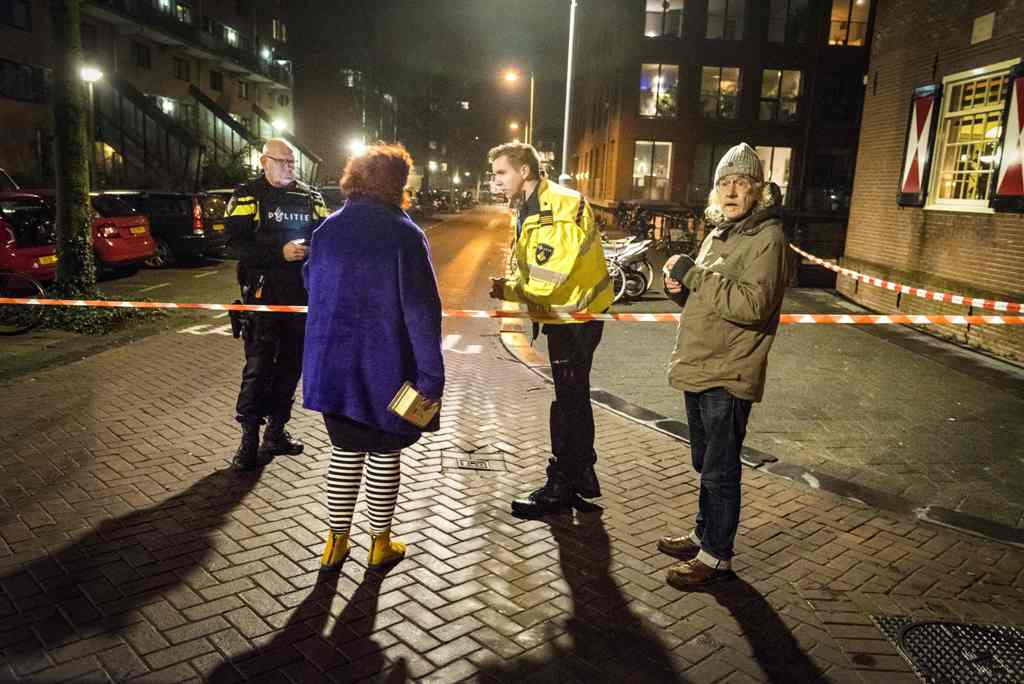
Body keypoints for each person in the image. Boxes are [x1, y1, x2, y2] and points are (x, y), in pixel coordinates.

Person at [302, 144, 444, 570]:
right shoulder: (404, 234)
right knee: (384, 457)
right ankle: (378, 544)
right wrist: (430, 378)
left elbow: (311, 281)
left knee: (344, 455)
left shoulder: (327, 230)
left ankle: (335, 544)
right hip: (386, 369)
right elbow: (421, 311)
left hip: (332, 371)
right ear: (395, 184)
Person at [658, 143, 790, 589]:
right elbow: (708, 292)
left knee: (720, 468)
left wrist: (694, 275)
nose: (732, 191)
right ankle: (702, 533)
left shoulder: (767, 238)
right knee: (705, 462)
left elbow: (753, 305)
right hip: (700, 364)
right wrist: (680, 288)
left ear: (758, 190)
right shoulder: (720, 232)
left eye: (742, 183)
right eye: (724, 183)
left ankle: (716, 556)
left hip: (729, 372)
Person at [487, 142, 612, 518]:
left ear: (524, 170)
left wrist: (513, 290)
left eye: (500, 173)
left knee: (568, 400)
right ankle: (581, 473)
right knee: (572, 397)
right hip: (569, 314)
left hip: (574, 316)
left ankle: (562, 483)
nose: (495, 181)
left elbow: (550, 274)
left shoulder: (555, 205)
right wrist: (511, 285)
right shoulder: (533, 205)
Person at [225, 138, 331, 471]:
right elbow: (232, 245)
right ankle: (248, 441)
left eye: (291, 162)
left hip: (301, 297)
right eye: (282, 161)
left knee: (290, 367)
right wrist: (277, 254)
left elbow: (326, 236)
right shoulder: (247, 196)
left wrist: (315, 251)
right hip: (262, 296)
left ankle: (276, 431)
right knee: (258, 367)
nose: (289, 167)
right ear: (263, 161)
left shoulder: (311, 197)